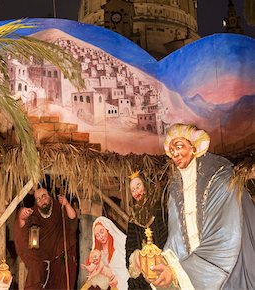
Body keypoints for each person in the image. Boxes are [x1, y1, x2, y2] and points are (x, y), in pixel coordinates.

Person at [136, 123, 255, 290]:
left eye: (179, 146)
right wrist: (165, 264)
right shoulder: (175, 189)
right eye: (171, 150)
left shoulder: (220, 179)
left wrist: (178, 272)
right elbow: (176, 238)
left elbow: (224, 238)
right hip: (191, 278)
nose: (174, 153)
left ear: (194, 147)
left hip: (228, 273)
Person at [13, 187, 78, 290]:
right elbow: (22, 232)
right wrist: (21, 217)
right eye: (38, 199)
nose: (41, 201)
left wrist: (66, 204)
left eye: (44, 197)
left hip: (58, 256)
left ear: (49, 196)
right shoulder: (32, 213)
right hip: (40, 259)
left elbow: (72, 219)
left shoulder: (58, 207)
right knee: (35, 281)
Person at [127, 171, 168, 290]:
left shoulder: (157, 209)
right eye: (133, 190)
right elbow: (130, 244)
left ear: (145, 187)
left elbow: (166, 236)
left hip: (160, 265)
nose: (136, 192)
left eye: (138, 186)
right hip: (142, 270)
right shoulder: (133, 217)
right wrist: (136, 257)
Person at [89, 216, 129, 290]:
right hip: (107, 283)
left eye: (102, 232)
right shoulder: (99, 251)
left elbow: (124, 269)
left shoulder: (118, 247)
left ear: (107, 230)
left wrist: (115, 277)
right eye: (97, 235)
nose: (101, 236)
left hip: (121, 281)